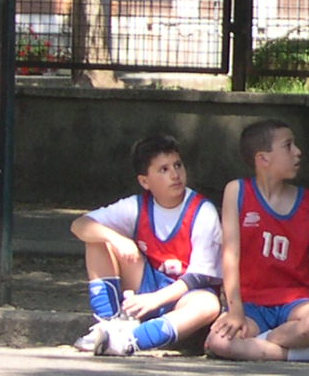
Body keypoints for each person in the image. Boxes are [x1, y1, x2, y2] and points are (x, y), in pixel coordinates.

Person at [205, 119, 309, 364]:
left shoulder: (307, 201)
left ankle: (262, 344)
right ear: (263, 159)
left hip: (295, 301)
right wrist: (235, 311)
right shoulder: (237, 191)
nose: (298, 152)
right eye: (288, 146)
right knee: (218, 341)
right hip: (251, 303)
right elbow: (230, 255)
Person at [69, 133, 223, 357]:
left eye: (178, 165)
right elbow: (80, 225)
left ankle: (129, 341)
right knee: (98, 239)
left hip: (185, 294)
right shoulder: (137, 206)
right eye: (164, 169)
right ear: (145, 181)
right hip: (147, 284)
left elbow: (198, 277)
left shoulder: (202, 210)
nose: (175, 175)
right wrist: (116, 239)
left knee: (208, 305)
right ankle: (109, 324)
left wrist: (155, 300)